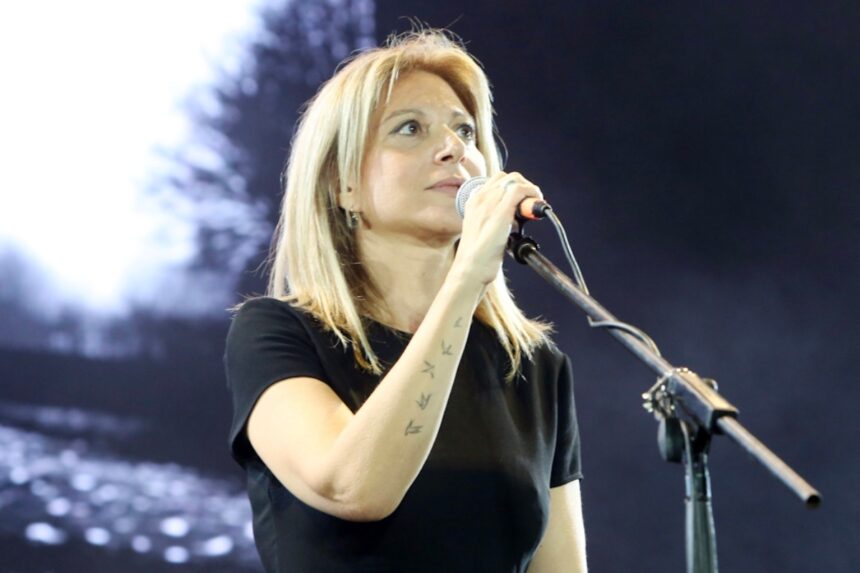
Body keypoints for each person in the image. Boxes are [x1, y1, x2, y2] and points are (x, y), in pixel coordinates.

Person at [225, 29, 587, 572]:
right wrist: (466, 279)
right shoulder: (277, 334)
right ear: (344, 184)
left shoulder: (533, 366)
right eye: (410, 128)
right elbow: (353, 488)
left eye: (465, 130)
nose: (453, 148)